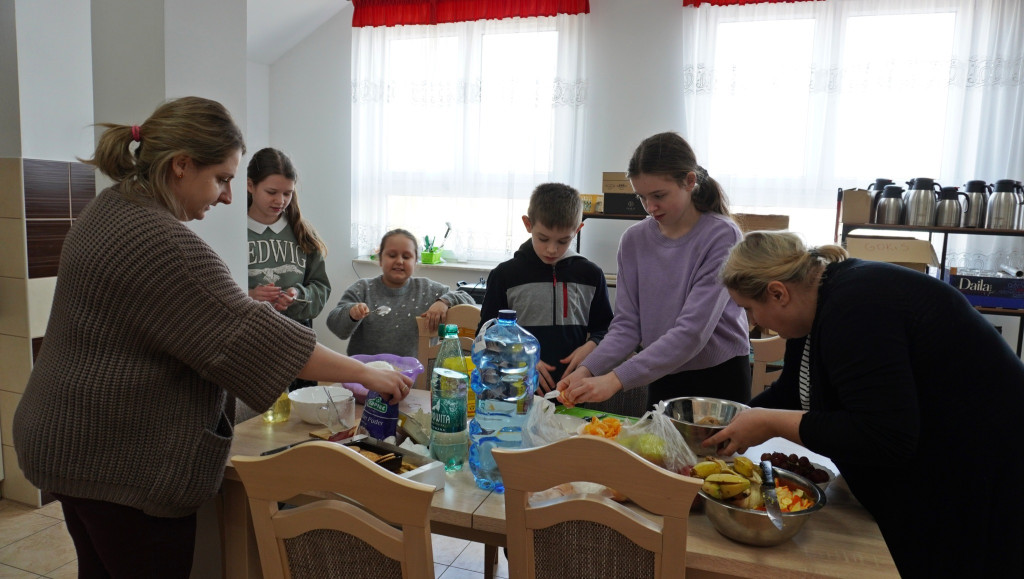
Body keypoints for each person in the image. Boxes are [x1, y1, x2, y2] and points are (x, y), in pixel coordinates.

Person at [12, 96, 413, 579]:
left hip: (68, 439)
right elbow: (258, 337)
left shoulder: (111, 208)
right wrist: (366, 373)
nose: (227, 197)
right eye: (222, 179)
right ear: (181, 166)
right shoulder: (161, 241)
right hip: (116, 462)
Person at [707, 231, 1024, 576]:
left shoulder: (856, 306)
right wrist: (734, 422)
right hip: (950, 464)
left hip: (987, 470)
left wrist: (768, 423)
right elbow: (792, 391)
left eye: (750, 310)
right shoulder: (817, 307)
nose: (753, 323)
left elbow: (883, 436)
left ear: (778, 293)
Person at [557, 132, 750, 409]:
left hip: (718, 377)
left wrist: (614, 379)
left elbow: (692, 333)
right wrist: (586, 370)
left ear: (689, 181)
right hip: (662, 371)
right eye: (642, 197)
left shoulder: (722, 235)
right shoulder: (634, 240)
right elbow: (626, 326)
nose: (650, 207)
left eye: (659, 195)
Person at [479, 183, 613, 392]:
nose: (552, 249)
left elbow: (606, 329)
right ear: (528, 224)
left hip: (572, 391)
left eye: (563, 241)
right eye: (543, 239)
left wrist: (591, 345)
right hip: (516, 392)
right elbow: (486, 334)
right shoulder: (504, 275)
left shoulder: (591, 275)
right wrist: (521, 358)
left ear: (578, 230)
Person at [247, 147, 330, 391]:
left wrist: (297, 295)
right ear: (250, 185)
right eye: (271, 192)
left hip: (297, 338)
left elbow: (321, 287)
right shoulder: (233, 231)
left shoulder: (303, 232)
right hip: (251, 341)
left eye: (288, 193)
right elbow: (218, 287)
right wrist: (249, 296)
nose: (280, 200)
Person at [326, 228, 474, 358]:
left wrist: (444, 302)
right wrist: (351, 314)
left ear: (415, 261)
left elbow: (469, 300)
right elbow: (335, 326)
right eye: (391, 255)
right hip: (365, 378)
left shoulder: (428, 289)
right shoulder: (363, 288)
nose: (399, 261)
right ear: (380, 260)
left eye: (406, 256)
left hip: (413, 381)